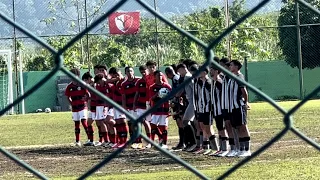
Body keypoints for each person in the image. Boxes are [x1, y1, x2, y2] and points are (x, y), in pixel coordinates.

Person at [193, 67, 219, 155]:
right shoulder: (200, 82)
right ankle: (206, 147)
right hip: (201, 108)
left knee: (208, 128)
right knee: (203, 127)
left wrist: (211, 107)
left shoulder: (208, 83)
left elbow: (212, 96)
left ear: (204, 73)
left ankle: (215, 148)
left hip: (207, 109)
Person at [229, 60, 251, 157]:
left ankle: (247, 149)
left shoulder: (239, 77)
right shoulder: (232, 77)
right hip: (233, 107)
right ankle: (241, 148)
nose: (230, 66)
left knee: (243, 126)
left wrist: (245, 102)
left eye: (231, 65)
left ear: (237, 66)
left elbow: (244, 91)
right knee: (237, 127)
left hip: (239, 106)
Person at [65, 68, 90, 147]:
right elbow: (67, 96)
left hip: (82, 106)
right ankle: (77, 141)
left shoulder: (82, 84)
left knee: (83, 122)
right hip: (75, 107)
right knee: (76, 123)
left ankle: (89, 139)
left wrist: (85, 99)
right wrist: (71, 103)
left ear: (78, 76)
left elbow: (88, 95)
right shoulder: (69, 86)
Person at [209, 63, 229, 156]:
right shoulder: (213, 81)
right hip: (215, 109)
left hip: (220, 109)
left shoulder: (219, 82)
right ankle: (221, 148)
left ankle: (224, 148)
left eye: (212, 69)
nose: (210, 71)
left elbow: (223, 95)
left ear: (217, 71)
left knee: (222, 128)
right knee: (219, 128)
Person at [176, 63, 197, 152]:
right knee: (189, 122)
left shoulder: (188, 77)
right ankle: (191, 143)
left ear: (183, 68)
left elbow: (195, 88)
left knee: (185, 121)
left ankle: (193, 143)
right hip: (190, 101)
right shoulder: (186, 77)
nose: (179, 73)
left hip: (193, 102)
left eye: (179, 71)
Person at [149, 70, 172, 149]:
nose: (160, 77)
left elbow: (171, 96)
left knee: (163, 127)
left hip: (164, 109)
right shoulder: (152, 87)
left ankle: (163, 143)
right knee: (153, 125)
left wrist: (167, 96)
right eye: (158, 75)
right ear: (155, 77)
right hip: (155, 110)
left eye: (161, 75)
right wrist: (158, 94)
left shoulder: (167, 86)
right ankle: (152, 142)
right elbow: (151, 98)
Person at [121, 66, 142, 149]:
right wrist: (124, 107)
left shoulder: (138, 80)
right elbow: (123, 97)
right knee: (130, 123)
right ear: (125, 73)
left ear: (133, 72)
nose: (129, 73)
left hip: (137, 106)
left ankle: (139, 141)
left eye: (131, 71)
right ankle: (133, 140)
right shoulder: (124, 84)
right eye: (128, 71)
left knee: (137, 123)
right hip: (129, 107)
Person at [165, 66, 185, 151]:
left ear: (168, 74)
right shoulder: (175, 78)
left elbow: (179, 91)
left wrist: (174, 100)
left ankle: (183, 142)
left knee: (180, 122)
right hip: (177, 102)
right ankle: (182, 142)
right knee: (179, 122)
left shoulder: (175, 79)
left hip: (178, 103)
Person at [134, 65, 152, 149]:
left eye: (144, 71)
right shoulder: (139, 82)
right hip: (140, 105)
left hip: (149, 104)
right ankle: (139, 141)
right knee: (139, 123)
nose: (143, 73)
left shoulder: (151, 80)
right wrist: (134, 104)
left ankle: (150, 141)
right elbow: (137, 94)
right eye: (141, 72)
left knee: (147, 123)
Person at [109, 67, 127, 148]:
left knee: (122, 122)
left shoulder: (123, 81)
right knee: (118, 122)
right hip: (115, 105)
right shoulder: (116, 82)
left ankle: (124, 141)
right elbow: (107, 81)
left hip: (121, 105)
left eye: (114, 75)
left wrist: (124, 106)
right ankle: (119, 141)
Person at [93, 73, 110, 147]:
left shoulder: (108, 85)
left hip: (104, 106)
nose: (99, 84)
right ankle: (105, 140)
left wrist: (105, 107)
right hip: (98, 106)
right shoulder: (98, 86)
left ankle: (108, 140)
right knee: (100, 122)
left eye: (99, 82)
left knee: (104, 122)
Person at [81, 72, 95, 146]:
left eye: (84, 81)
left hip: (98, 106)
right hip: (92, 107)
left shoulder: (94, 84)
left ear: (88, 79)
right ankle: (91, 140)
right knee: (89, 123)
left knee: (102, 123)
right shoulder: (89, 86)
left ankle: (105, 140)